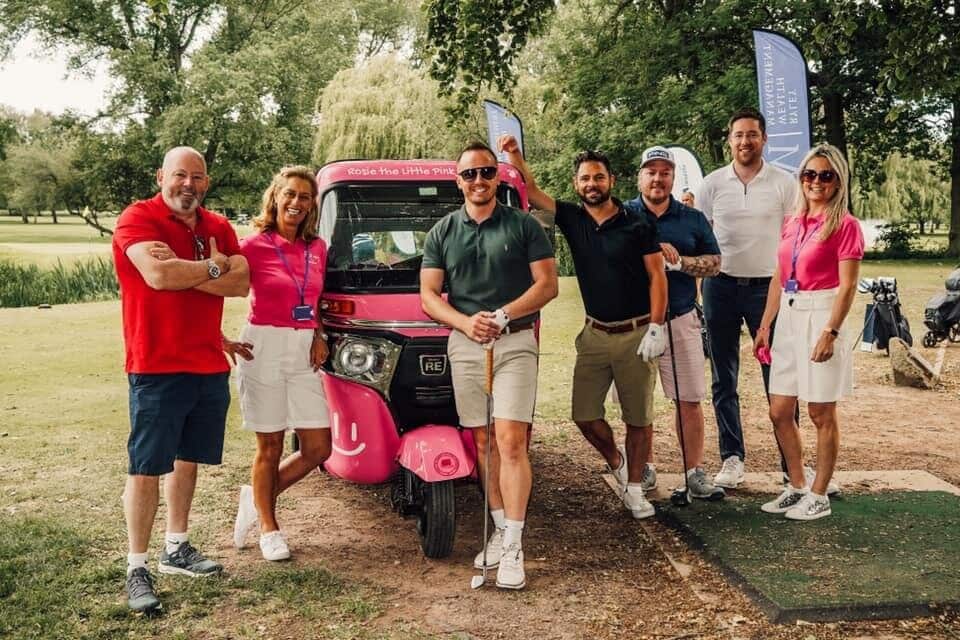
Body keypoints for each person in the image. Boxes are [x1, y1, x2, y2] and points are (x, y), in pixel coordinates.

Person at [498, 135, 668, 520]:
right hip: (594, 335)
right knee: (584, 414)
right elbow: (534, 191)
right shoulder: (572, 218)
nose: (592, 184)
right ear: (577, 184)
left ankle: (636, 488)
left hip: (637, 333)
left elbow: (658, 277)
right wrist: (514, 155)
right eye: (585, 179)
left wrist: (656, 327)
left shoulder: (637, 224)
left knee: (638, 418)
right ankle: (618, 460)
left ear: (611, 181)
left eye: (599, 177)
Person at [112, 146, 250, 613]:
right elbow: (156, 275)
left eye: (196, 176)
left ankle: (177, 547)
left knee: (188, 459)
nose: (187, 184)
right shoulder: (138, 218)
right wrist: (213, 267)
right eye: (178, 175)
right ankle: (136, 566)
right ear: (161, 177)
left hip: (207, 363)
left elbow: (241, 283)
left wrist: (189, 271)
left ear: (206, 182)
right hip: (156, 364)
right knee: (147, 465)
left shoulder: (219, 226)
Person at [420, 141, 558, 590]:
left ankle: (515, 543)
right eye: (469, 174)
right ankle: (500, 529)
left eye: (486, 172)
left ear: (497, 177)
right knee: (481, 441)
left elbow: (548, 285)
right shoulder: (442, 231)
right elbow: (428, 297)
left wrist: (503, 315)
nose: (478, 181)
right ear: (456, 181)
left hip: (514, 342)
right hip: (466, 345)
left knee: (511, 440)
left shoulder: (523, 225)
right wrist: (465, 322)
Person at [227, 165, 332, 561]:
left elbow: (316, 299)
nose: (296, 202)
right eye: (289, 194)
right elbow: (214, 284)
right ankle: (269, 529)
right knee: (269, 445)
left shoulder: (317, 248)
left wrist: (319, 334)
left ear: (312, 205)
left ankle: (255, 499)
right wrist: (217, 339)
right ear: (275, 198)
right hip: (263, 346)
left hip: (304, 349)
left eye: (305, 197)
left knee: (319, 447)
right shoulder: (251, 246)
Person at [754, 144, 863, 520]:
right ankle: (797, 484)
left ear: (838, 181)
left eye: (825, 175)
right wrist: (766, 323)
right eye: (809, 174)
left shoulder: (845, 225)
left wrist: (830, 332)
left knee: (820, 411)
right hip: (788, 311)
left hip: (822, 313)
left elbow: (848, 286)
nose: (816, 182)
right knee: (780, 410)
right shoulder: (792, 221)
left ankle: (819, 495)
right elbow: (779, 276)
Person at [697, 107, 797, 488]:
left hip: (767, 290)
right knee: (724, 377)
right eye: (738, 135)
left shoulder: (784, 184)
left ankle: (792, 465)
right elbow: (701, 237)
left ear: (764, 139)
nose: (745, 141)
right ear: (729, 139)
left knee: (779, 377)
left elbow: (792, 241)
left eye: (752, 134)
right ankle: (732, 457)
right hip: (720, 287)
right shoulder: (712, 184)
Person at [625, 147, 725, 501]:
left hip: (681, 317)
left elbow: (714, 263)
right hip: (635, 322)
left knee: (691, 399)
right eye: (650, 171)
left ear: (672, 178)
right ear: (640, 177)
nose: (657, 178)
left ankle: (694, 470)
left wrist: (681, 262)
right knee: (639, 401)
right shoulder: (623, 214)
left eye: (664, 172)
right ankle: (645, 466)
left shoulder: (691, 218)